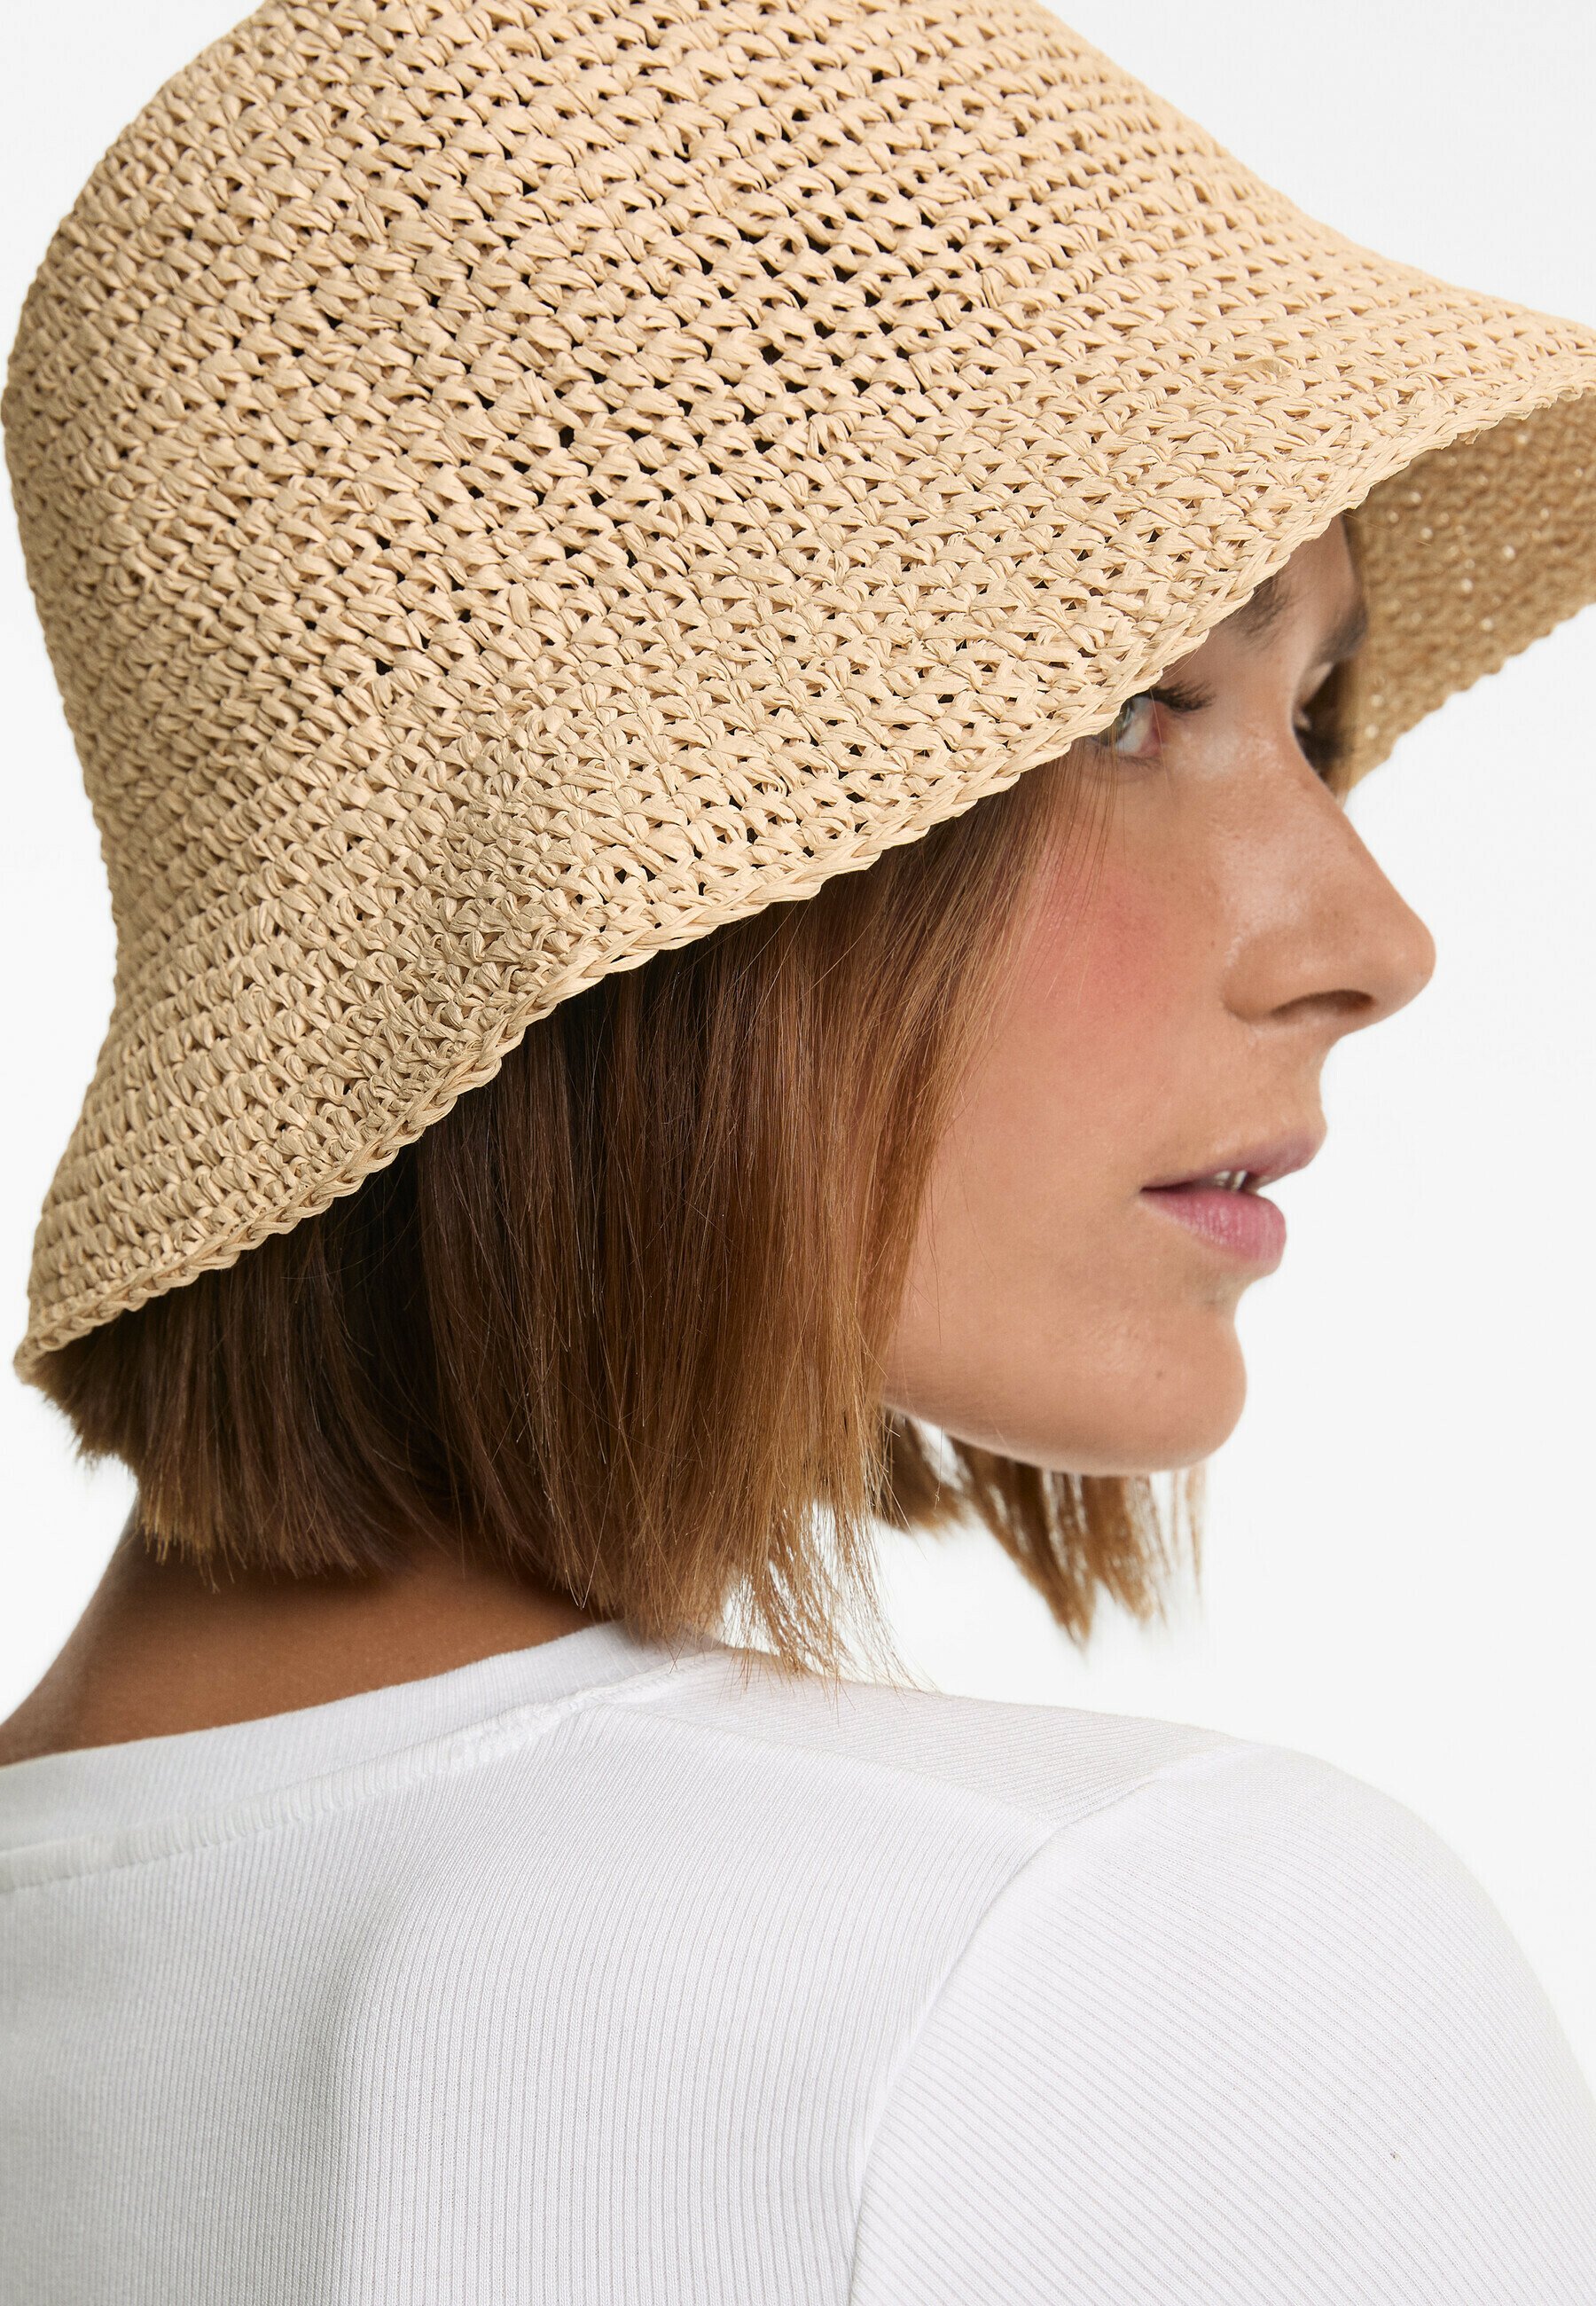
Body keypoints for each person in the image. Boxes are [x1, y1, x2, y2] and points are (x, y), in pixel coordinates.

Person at [2, 1, 1593, 2298]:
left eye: (1313, 715)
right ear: (633, 873)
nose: (1374, 940)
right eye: (1129, 698)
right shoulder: (1112, 1971)